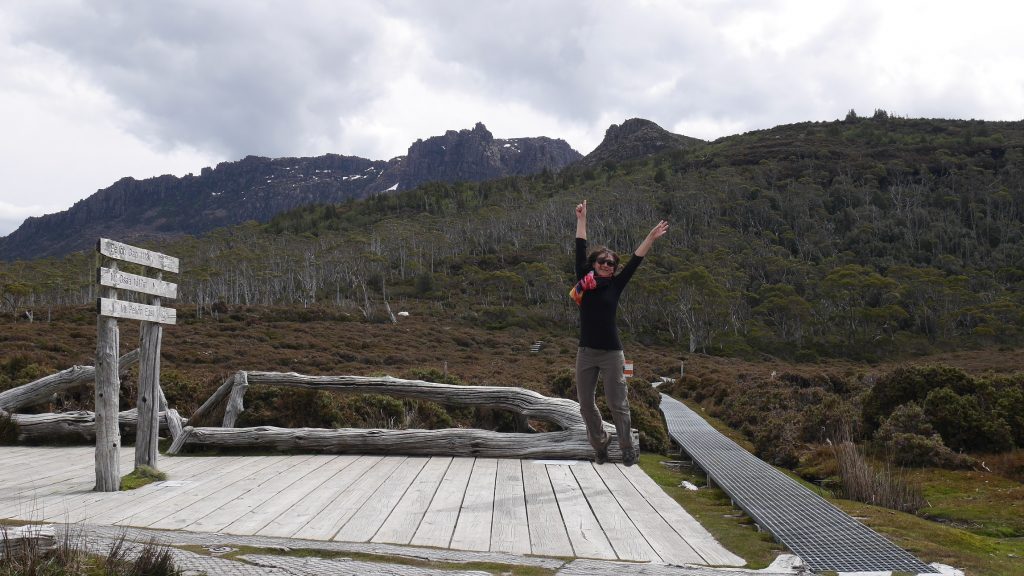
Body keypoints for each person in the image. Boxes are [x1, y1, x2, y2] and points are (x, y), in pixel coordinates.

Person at [571, 199, 668, 466]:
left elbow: (636, 260)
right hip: (586, 352)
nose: (607, 265)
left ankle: (626, 447)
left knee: (618, 403)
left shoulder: (616, 284)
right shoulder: (583, 279)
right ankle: (600, 443)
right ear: (594, 263)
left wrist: (650, 237)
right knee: (585, 405)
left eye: (612, 263)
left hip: (612, 354)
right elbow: (580, 246)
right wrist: (582, 219)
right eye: (603, 261)